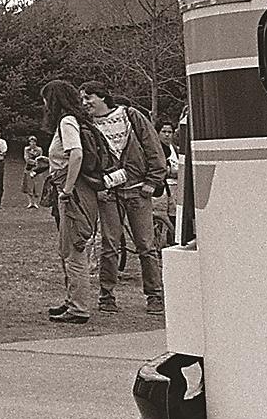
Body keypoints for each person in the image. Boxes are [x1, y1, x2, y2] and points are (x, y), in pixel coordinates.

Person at [79, 81, 168, 315]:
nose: (85, 102)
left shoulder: (131, 116)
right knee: (109, 245)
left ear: (102, 97)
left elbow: (153, 147)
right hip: (109, 193)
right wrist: (99, 184)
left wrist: (152, 181)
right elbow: (89, 160)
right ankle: (106, 296)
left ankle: (155, 295)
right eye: (82, 99)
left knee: (146, 246)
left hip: (138, 190)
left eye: (89, 97)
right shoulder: (87, 125)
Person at [41, 80, 99, 324]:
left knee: (74, 249)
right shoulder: (75, 120)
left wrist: (67, 189)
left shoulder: (66, 122)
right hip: (75, 188)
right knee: (68, 247)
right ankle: (72, 300)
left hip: (73, 192)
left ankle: (79, 307)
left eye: (46, 99)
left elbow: (76, 153)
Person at [153, 119, 179, 249]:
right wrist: (171, 172)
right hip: (161, 188)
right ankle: (156, 245)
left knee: (174, 216)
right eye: (164, 131)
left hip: (176, 189)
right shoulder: (155, 149)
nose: (167, 135)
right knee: (159, 217)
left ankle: (172, 241)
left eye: (170, 132)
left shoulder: (175, 149)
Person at [22, 135, 46, 209]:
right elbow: (26, 159)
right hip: (28, 168)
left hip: (37, 169)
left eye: (34, 142)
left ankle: (35, 202)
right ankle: (30, 202)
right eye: (31, 142)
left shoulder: (39, 149)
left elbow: (40, 158)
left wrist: (36, 163)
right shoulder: (26, 149)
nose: (33, 143)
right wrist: (34, 161)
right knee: (29, 185)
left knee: (36, 185)